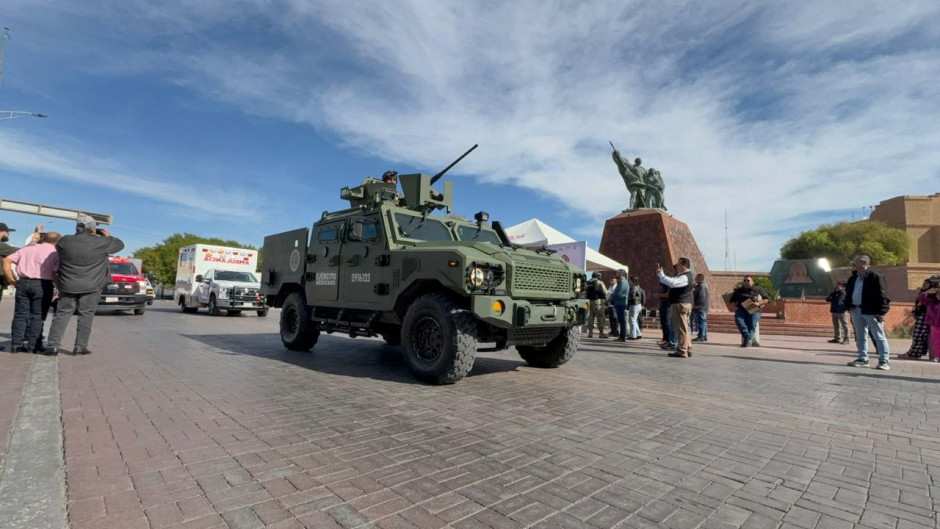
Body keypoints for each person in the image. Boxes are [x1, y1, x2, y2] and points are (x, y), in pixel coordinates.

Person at [42, 216, 124, 356]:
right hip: (93, 285)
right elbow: (119, 244)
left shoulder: (65, 241)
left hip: (68, 284)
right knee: (86, 315)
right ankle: (80, 347)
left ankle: (53, 346)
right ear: (92, 228)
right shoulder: (101, 242)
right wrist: (106, 235)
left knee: (62, 314)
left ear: (77, 227)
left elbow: (60, 250)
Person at [2, 232, 60, 353]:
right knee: (37, 316)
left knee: (20, 315)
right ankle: (33, 346)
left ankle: (16, 345)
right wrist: (59, 288)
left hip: (23, 283)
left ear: (43, 239)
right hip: (43, 285)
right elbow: (55, 273)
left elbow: (7, 260)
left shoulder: (27, 249)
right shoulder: (55, 253)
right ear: (57, 241)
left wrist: (11, 279)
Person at [844, 255, 891, 370]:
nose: (853, 264)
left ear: (864, 263)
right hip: (856, 310)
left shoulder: (875, 277)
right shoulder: (853, 278)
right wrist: (848, 306)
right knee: (860, 336)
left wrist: (881, 311)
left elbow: (882, 295)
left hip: (872, 311)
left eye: (855, 262)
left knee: (878, 336)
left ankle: (884, 360)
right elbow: (848, 292)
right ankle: (862, 358)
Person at [657, 258, 694, 358]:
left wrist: (661, 274)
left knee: (681, 328)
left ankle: (682, 350)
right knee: (685, 327)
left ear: (684, 265)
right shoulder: (684, 276)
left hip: (680, 304)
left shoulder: (685, 277)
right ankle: (688, 348)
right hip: (683, 304)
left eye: (678, 264)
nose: (676, 266)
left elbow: (672, 283)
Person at [901, 278, 935, 359]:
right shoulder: (923, 293)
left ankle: (915, 354)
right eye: (924, 283)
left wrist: (926, 293)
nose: (924, 285)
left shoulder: (932, 295)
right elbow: (918, 303)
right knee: (917, 336)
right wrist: (915, 312)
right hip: (921, 316)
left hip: (927, 317)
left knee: (921, 336)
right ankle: (915, 353)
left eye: (926, 284)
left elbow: (924, 300)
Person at [730, 277, 769, 347]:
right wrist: (735, 306)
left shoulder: (758, 289)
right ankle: (748, 338)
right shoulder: (738, 291)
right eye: (744, 280)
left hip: (754, 309)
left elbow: (766, 299)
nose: (746, 282)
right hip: (741, 309)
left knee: (752, 323)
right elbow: (732, 300)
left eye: (748, 280)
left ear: (752, 282)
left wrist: (758, 303)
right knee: (739, 321)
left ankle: (748, 340)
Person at [920, 277, 940, 362]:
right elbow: (921, 297)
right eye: (938, 293)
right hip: (935, 323)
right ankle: (937, 356)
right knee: (936, 340)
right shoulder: (931, 301)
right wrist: (927, 292)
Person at [584, 272, 608, 338]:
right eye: (599, 275)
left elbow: (584, 291)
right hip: (597, 301)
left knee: (590, 317)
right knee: (600, 317)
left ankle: (590, 333)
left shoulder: (588, 282)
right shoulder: (599, 282)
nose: (600, 276)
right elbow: (605, 291)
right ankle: (601, 333)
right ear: (597, 276)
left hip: (588, 302)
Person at [610, 269, 630, 342]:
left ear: (621, 274)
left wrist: (611, 297)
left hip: (621, 303)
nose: (616, 274)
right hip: (619, 303)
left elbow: (619, 293)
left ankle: (622, 337)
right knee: (621, 320)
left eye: (617, 273)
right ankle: (621, 336)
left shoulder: (623, 282)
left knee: (622, 320)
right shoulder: (621, 282)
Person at [691, 273, 709, 342]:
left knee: (700, 322)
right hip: (701, 307)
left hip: (700, 308)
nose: (695, 279)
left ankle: (701, 336)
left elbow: (701, 297)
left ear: (700, 279)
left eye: (696, 278)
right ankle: (704, 336)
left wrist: (697, 305)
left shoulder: (702, 286)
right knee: (703, 322)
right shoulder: (700, 286)